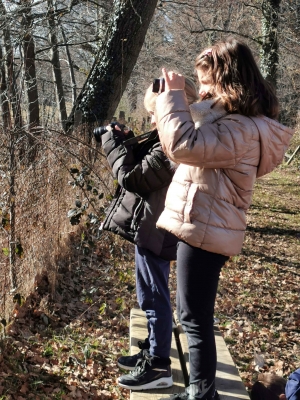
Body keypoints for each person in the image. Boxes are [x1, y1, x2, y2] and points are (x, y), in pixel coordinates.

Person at [152, 37, 294, 400]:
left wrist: (173, 98)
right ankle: (203, 391)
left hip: (206, 230)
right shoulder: (233, 122)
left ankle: (202, 393)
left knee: (194, 318)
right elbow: (181, 145)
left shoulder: (239, 130)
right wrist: (174, 101)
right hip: (205, 225)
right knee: (193, 315)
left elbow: (184, 146)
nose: (200, 90)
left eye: (205, 82)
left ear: (226, 80)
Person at [99, 77, 199, 391]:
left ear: (174, 109)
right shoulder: (171, 138)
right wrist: (130, 141)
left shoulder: (174, 145)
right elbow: (143, 165)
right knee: (148, 295)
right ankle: (154, 351)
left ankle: (158, 366)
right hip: (153, 227)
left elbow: (134, 178)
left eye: (155, 112)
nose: (152, 119)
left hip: (157, 230)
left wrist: (112, 145)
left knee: (154, 297)